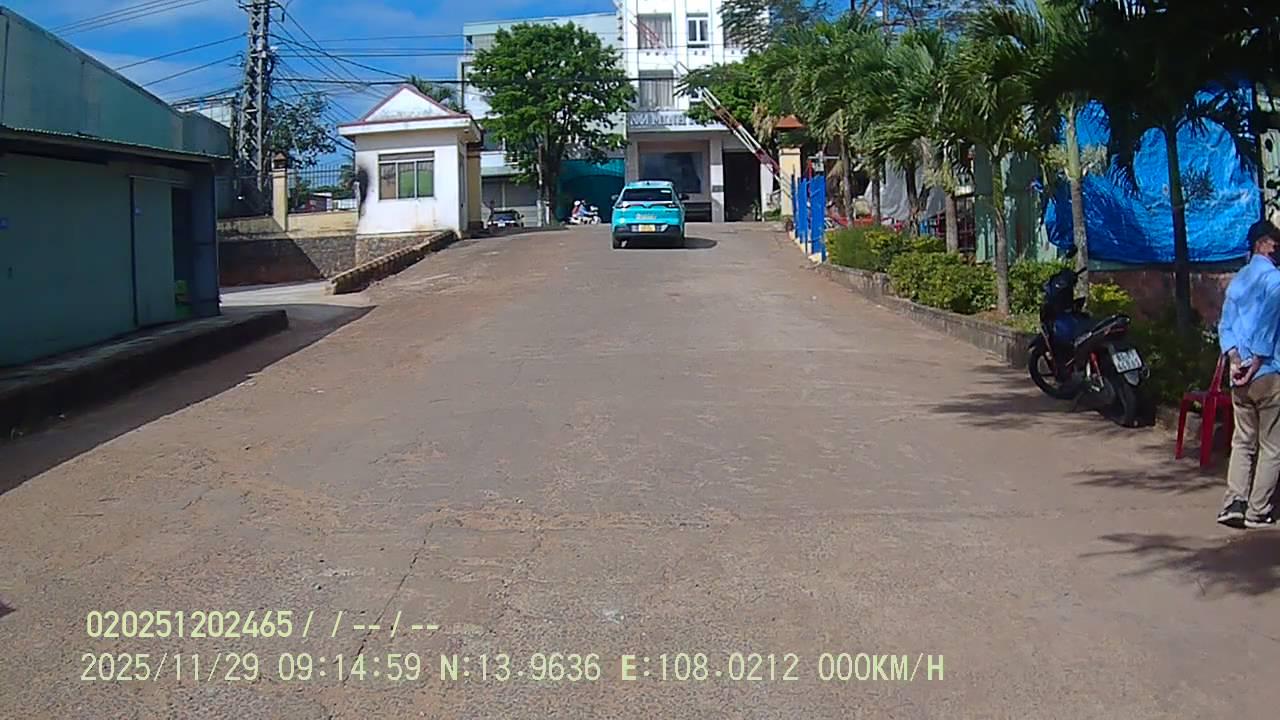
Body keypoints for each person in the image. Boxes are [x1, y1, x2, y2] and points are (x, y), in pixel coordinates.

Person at [1217, 219, 1280, 528]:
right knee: (1272, 446)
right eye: (1274, 241)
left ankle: (1234, 503)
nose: (1277, 247)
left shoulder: (1238, 281)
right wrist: (1254, 363)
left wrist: (1235, 360)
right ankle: (1258, 510)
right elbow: (1267, 329)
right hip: (1268, 373)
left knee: (1242, 442)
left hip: (1239, 375)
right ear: (1261, 244)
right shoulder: (1275, 281)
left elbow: (1225, 326)